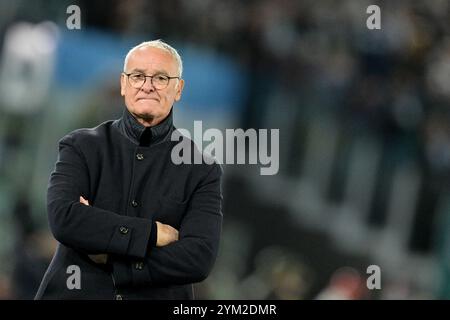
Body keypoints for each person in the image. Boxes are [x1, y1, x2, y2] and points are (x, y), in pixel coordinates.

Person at [35, 40, 223, 300]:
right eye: (138, 76)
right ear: (124, 84)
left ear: (178, 89)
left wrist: (114, 261)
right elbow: (65, 218)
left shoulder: (202, 170)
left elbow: (198, 258)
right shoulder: (80, 146)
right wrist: (154, 233)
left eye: (160, 77)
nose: (147, 85)